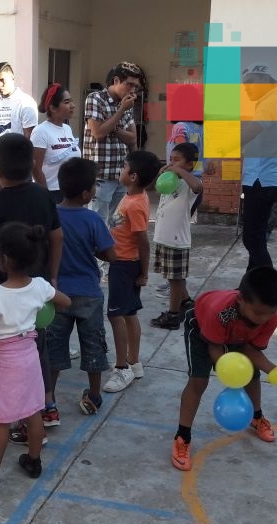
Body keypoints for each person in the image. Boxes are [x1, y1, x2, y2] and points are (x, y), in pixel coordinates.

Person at [0, 223, 71, 493]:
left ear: (4, 260)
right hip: (30, 355)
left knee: (3, 419)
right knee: (33, 410)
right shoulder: (39, 286)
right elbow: (66, 302)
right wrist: (39, 312)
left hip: (6, 361)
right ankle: (33, 461)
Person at [0, 133, 63, 440]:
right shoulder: (43, 195)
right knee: (36, 347)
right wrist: (51, 277)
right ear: (31, 166)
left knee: (8, 356)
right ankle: (47, 403)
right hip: (36, 293)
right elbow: (57, 236)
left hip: (5, 295)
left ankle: (21, 415)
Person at [171, 266, 277, 471]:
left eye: (270, 313)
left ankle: (256, 417)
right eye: (258, 313)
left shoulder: (270, 318)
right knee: (198, 381)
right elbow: (215, 348)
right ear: (241, 300)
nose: (263, 319)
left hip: (237, 334)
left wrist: (275, 371)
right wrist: (231, 375)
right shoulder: (219, 312)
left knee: (251, 374)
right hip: (201, 329)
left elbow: (252, 350)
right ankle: (182, 436)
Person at [46, 158, 116, 416]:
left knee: (52, 348)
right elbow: (111, 255)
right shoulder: (92, 219)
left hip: (56, 294)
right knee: (93, 345)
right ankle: (94, 395)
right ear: (86, 193)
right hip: (88, 293)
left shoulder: (51, 215)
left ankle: (49, 402)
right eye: (94, 187)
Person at [102, 151, 158, 393]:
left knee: (116, 316)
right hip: (123, 263)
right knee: (129, 313)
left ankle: (122, 366)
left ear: (133, 176)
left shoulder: (135, 205)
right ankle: (134, 363)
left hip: (125, 265)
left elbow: (143, 242)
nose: (120, 170)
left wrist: (143, 272)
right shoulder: (134, 196)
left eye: (124, 167)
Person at [239, 62, 277, 272]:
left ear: (266, 81)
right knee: (257, 237)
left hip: (260, 181)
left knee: (252, 239)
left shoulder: (269, 102)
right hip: (269, 179)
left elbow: (251, 132)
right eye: (245, 84)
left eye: (251, 82)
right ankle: (251, 286)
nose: (247, 88)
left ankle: (270, 293)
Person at [150, 143, 203, 330]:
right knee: (174, 275)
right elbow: (158, 189)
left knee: (175, 278)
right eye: (170, 159)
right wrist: (164, 172)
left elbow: (198, 187)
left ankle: (173, 315)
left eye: (177, 160)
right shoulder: (170, 180)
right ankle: (186, 301)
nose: (172, 163)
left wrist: (180, 172)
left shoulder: (189, 184)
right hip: (163, 236)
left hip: (177, 240)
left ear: (189, 165)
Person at [83, 62, 142, 224]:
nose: (132, 90)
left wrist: (114, 129)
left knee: (115, 224)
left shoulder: (127, 103)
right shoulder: (95, 99)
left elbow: (132, 139)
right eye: (129, 84)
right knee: (97, 222)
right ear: (116, 81)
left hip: (121, 175)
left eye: (135, 87)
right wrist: (121, 110)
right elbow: (98, 133)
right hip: (100, 176)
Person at [31, 83, 81, 203]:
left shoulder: (67, 129)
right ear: (53, 108)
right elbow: (36, 169)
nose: (72, 106)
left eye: (71, 101)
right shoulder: (40, 131)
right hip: (53, 194)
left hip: (72, 192)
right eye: (66, 102)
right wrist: (46, 196)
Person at [0, 62, 38, 138]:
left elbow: (30, 137)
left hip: (17, 149)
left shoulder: (26, 102)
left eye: (2, 80)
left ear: (12, 78)